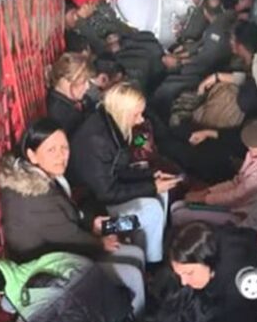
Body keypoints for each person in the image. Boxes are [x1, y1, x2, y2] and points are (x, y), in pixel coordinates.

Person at [0, 118, 146, 316]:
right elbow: (69, 237)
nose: (61, 156)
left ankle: (138, 310)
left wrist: (92, 223)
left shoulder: (42, 177)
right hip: (45, 270)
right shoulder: (34, 197)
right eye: (51, 150)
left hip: (63, 250)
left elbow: (68, 217)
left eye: (64, 148)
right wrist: (100, 243)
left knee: (136, 251)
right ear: (32, 155)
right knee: (132, 273)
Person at [68, 82, 181, 263]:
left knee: (162, 192)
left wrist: (151, 176)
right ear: (123, 112)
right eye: (136, 114)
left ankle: (155, 245)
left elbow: (118, 170)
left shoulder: (111, 127)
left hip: (106, 195)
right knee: (152, 211)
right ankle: (153, 263)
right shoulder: (98, 140)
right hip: (100, 215)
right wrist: (151, 187)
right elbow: (106, 193)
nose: (141, 120)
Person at [136, 221, 257, 322]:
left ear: (207, 262)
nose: (184, 281)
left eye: (189, 273)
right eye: (180, 274)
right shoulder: (209, 241)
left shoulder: (236, 288)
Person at [171, 117, 257, 226]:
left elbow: (236, 196)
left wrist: (204, 199)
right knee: (178, 206)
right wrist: (206, 192)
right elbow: (236, 182)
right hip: (235, 205)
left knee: (179, 214)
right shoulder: (254, 154)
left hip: (243, 216)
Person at [46, 53, 93, 137]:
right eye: (84, 81)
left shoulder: (78, 99)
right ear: (70, 80)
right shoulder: (63, 115)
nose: (88, 86)